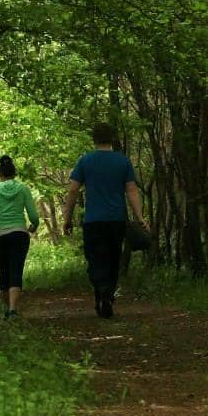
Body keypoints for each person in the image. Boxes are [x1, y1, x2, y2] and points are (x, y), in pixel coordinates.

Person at [63, 123, 149, 319]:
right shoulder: (122, 162)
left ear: (93, 139)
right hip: (116, 220)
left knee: (94, 258)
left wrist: (67, 218)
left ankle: (100, 291)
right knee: (112, 258)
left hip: (93, 221)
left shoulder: (85, 161)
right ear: (112, 139)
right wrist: (139, 217)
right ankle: (108, 295)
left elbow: (73, 190)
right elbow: (132, 190)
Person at [0, 155, 39, 319]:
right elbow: (33, 214)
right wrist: (34, 224)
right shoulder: (23, 189)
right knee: (16, 271)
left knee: (4, 274)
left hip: (0, 237)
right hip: (19, 234)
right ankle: (12, 310)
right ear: (14, 173)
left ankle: (9, 309)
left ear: (0, 174)